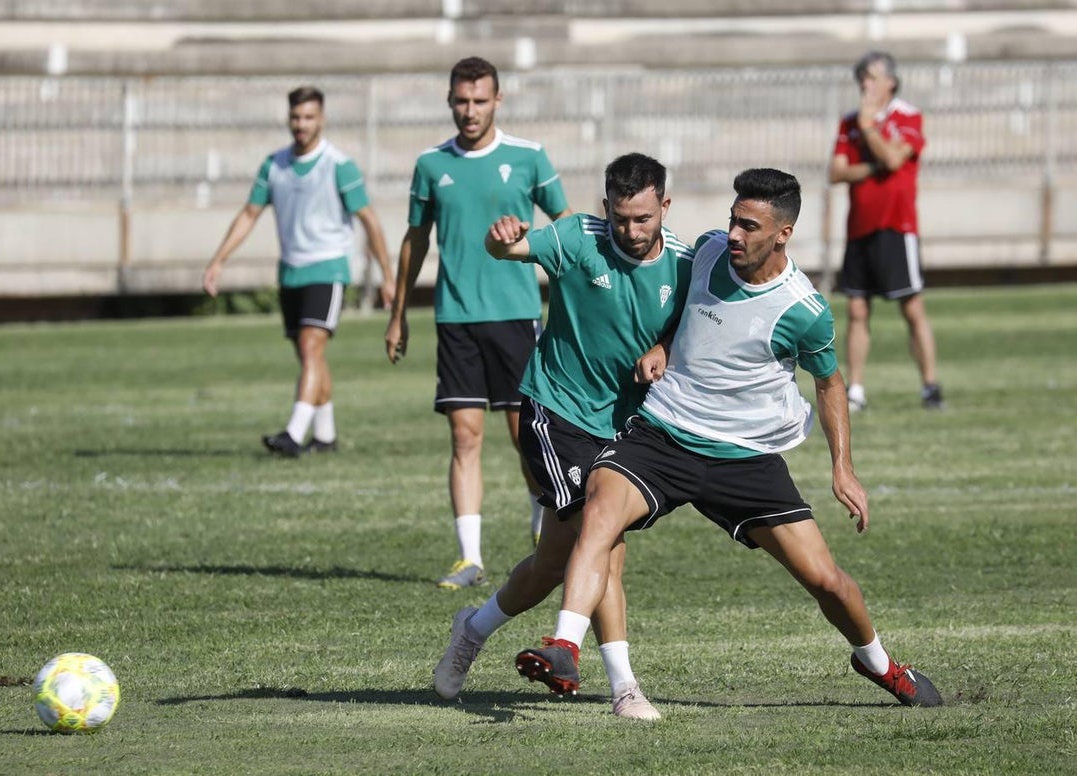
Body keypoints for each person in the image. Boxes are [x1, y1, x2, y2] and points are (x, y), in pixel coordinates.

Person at [515, 168, 944, 709]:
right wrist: (667, 346)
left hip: (744, 457)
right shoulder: (710, 252)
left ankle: (880, 664)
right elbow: (688, 313)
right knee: (598, 509)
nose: (734, 234)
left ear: (782, 233)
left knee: (826, 580)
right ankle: (564, 645)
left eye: (750, 226)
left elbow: (830, 384)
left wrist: (843, 468)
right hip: (664, 434)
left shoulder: (804, 310)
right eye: (733, 220)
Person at [433, 153, 693, 719]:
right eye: (621, 217)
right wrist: (501, 239)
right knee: (605, 545)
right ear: (605, 209)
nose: (631, 230)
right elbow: (509, 251)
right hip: (556, 413)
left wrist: (664, 348)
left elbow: (687, 327)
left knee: (553, 564)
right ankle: (624, 687)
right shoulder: (578, 237)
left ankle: (472, 630)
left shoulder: (685, 264)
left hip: (622, 429)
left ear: (665, 208)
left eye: (644, 218)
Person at [384, 57, 572, 589]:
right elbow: (416, 240)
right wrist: (398, 313)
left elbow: (567, 228)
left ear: (498, 100)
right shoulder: (430, 165)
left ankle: (545, 536)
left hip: (516, 317)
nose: (470, 111)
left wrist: (571, 300)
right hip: (456, 318)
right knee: (464, 437)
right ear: (449, 100)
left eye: (480, 101)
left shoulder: (529, 157)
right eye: (462, 101)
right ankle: (470, 558)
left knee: (526, 438)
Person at [203, 85, 395, 457]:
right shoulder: (274, 165)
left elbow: (369, 220)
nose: (301, 124)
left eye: (309, 117)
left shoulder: (339, 165)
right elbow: (249, 214)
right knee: (310, 356)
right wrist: (219, 259)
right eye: (296, 117)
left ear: (321, 119)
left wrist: (387, 275)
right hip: (290, 272)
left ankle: (293, 433)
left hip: (328, 268)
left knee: (311, 347)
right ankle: (325, 436)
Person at [829, 50, 943, 412]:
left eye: (872, 77)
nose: (865, 84)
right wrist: (873, 163)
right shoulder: (849, 122)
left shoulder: (907, 116)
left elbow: (896, 159)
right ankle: (856, 389)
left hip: (897, 224)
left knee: (911, 306)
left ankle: (929, 385)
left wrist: (868, 128)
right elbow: (837, 171)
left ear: (890, 81)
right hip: (859, 225)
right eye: (862, 78)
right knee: (858, 308)